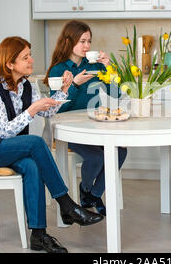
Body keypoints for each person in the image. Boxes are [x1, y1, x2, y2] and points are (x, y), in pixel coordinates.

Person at [0, 36, 104, 253]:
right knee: (35, 143)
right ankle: (67, 205)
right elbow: (3, 132)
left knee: (31, 165)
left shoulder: (25, 85)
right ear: (9, 63)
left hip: (2, 148)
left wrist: (66, 88)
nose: (31, 61)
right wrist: (31, 110)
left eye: (30, 55)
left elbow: (47, 110)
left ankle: (38, 236)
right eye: (25, 57)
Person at [44, 20, 127, 216]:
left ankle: (91, 193)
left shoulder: (95, 67)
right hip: (69, 130)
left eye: (89, 41)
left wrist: (109, 68)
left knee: (121, 152)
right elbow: (56, 107)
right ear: (69, 41)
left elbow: (116, 94)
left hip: (94, 126)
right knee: (96, 157)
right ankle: (89, 192)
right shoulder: (59, 70)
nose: (87, 46)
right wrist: (75, 85)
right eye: (82, 41)